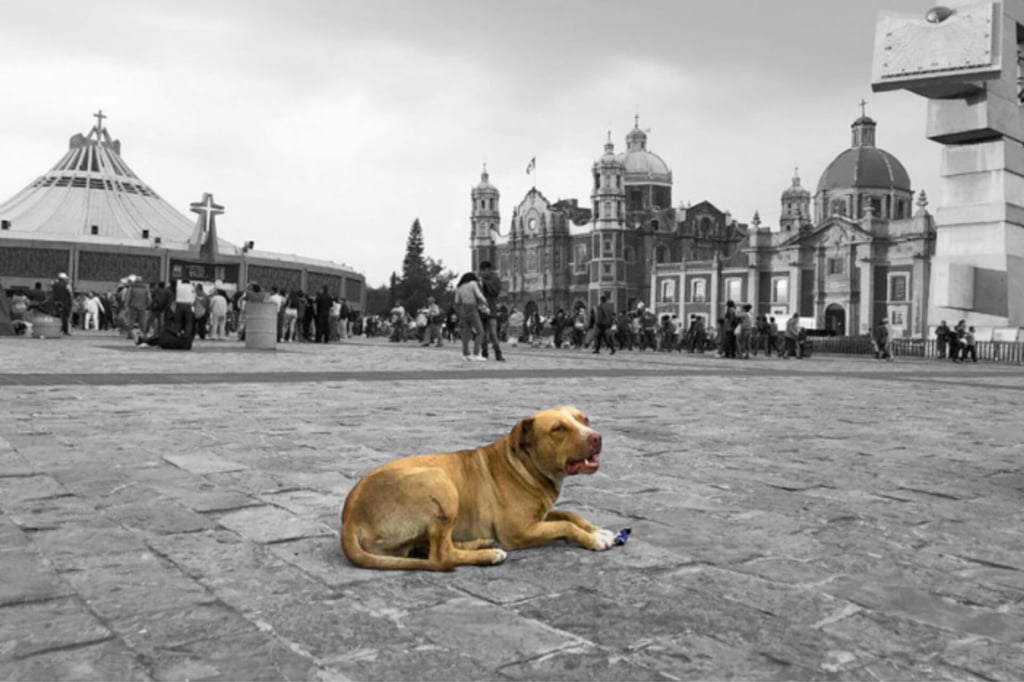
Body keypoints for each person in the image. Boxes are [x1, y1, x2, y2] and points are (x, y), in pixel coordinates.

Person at [453, 272, 487, 361]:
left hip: (463, 309)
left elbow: (457, 301)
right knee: (480, 331)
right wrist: (485, 302)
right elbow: (479, 295)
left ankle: (465, 353)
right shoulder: (473, 284)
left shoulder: (459, 287)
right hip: (472, 307)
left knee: (466, 333)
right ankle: (476, 353)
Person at [478, 261, 505, 361]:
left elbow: (495, 291)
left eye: (483, 271)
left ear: (488, 270)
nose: (481, 273)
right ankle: (484, 353)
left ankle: (498, 353)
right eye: (481, 271)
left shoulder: (495, 279)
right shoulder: (478, 279)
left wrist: (484, 283)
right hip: (480, 310)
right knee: (482, 334)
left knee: (493, 333)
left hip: (491, 310)